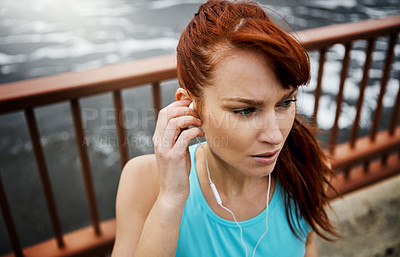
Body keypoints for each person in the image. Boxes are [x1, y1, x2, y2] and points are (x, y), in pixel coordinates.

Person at [111, 1, 337, 256]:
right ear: (191, 108)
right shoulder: (144, 181)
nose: (275, 136)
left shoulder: (307, 167)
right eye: (245, 110)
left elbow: (307, 247)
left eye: (285, 102)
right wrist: (171, 199)